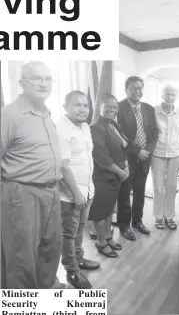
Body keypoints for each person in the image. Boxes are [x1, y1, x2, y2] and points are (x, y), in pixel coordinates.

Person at [1, 61, 63, 289]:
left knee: (50, 248)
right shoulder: (9, 115)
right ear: (21, 83)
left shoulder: (47, 113)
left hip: (52, 191)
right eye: (37, 78)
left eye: (48, 79)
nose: (43, 83)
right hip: (21, 194)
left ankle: (46, 293)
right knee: (21, 255)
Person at [56, 90, 100, 289]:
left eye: (85, 105)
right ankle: (72, 271)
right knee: (69, 233)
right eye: (77, 105)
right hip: (71, 194)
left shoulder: (85, 127)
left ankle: (79, 259)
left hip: (86, 190)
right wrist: (76, 194)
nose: (82, 109)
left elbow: (86, 158)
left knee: (80, 229)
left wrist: (88, 189)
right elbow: (63, 166)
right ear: (65, 107)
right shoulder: (61, 129)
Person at [117, 76, 158, 241]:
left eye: (140, 88)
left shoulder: (149, 108)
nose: (138, 91)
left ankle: (137, 221)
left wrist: (147, 151)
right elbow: (119, 134)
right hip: (127, 157)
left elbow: (154, 134)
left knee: (140, 192)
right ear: (126, 89)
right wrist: (137, 150)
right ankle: (124, 225)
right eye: (134, 88)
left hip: (144, 158)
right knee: (125, 193)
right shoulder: (119, 107)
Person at [89, 93, 129, 257]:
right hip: (104, 176)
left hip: (117, 176)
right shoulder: (95, 128)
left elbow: (123, 147)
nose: (112, 110)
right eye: (108, 106)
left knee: (109, 211)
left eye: (114, 107)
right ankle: (100, 242)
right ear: (100, 107)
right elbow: (100, 156)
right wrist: (120, 171)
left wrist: (125, 164)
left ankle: (107, 237)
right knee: (100, 211)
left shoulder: (115, 125)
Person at [151, 85, 179, 230]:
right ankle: (158, 217)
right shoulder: (154, 111)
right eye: (167, 94)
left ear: (176, 97)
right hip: (157, 153)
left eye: (173, 95)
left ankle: (169, 216)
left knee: (171, 187)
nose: (170, 97)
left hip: (175, 153)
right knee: (158, 187)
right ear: (162, 96)